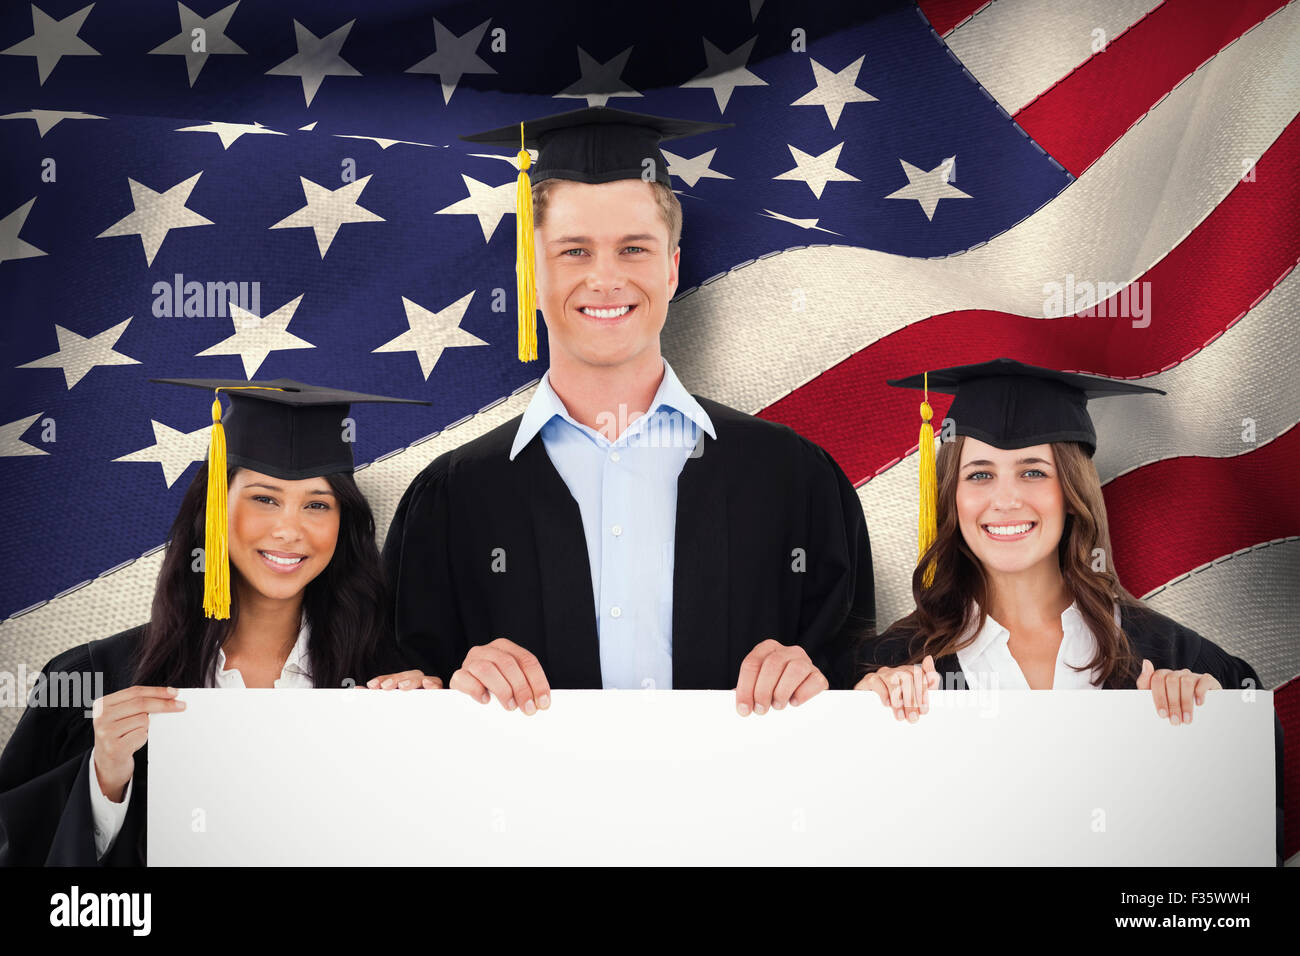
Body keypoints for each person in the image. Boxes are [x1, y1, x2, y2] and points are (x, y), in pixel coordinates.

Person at [381, 107, 875, 717]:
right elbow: (400, 692)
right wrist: (443, 688)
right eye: (574, 251)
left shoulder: (791, 478)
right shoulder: (453, 498)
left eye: (634, 249)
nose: (605, 278)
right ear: (530, 273)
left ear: (671, 268)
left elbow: (858, 678)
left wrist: (816, 679)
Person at [853, 358, 1283, 858]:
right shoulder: (891, 666)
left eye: (1033, 472)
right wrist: (856, 727)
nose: (1005, 499)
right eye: (980, 474)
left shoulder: (1172, 656)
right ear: (950, 494)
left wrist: (1218, 729)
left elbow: (1241, 838)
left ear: (1071, 491)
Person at [0, 378, 429, 865]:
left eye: (317, 504)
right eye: (264, 498)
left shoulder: (389, 681)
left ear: (342, 522)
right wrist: (105, 781)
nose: (289, 529)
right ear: (214, 509)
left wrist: (425, 742)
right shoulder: (96, 677)